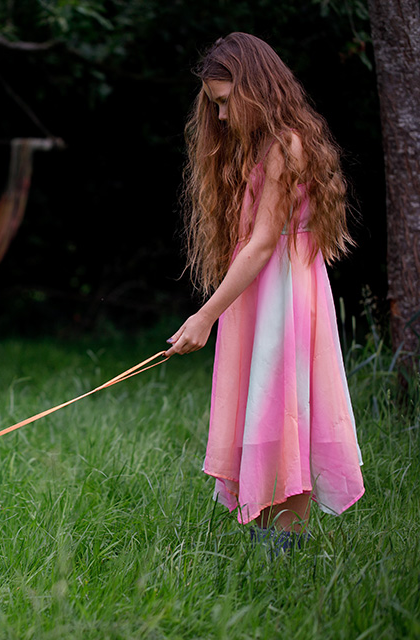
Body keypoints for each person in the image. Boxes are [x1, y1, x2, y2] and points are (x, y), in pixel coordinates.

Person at [165, 33, 364, 545]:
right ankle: (271, 541)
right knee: (268, 405)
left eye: (226, 101)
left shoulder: (284, 146)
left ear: (253, 87)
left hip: (282, 297)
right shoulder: (266, 144)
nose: (223, 116)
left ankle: (284, 544)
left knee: (283, 405)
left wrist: (204, 316)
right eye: (216, 105)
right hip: (265, 292)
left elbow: (259, 247)